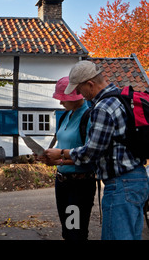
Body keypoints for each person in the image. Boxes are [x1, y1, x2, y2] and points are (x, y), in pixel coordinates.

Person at [44, 61, 149, 240]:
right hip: (131, 179)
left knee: (80, 233)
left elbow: (91, 152)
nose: (79, 94)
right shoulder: (116, 100)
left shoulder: (100, 109)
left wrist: (61, 155)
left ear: (90, 84)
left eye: (79, 89)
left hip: (107, 184)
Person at [39, 76, 96, 240]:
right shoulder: (65, 116)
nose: (60, 103)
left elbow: (89, 156)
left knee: (75, 232)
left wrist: (60, 159)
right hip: (62, 183)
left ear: (75, 96)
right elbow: (62, 147)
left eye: (63, 99)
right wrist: (49, 156)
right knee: (67, 231)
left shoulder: (89, 117)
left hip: (79, 184)